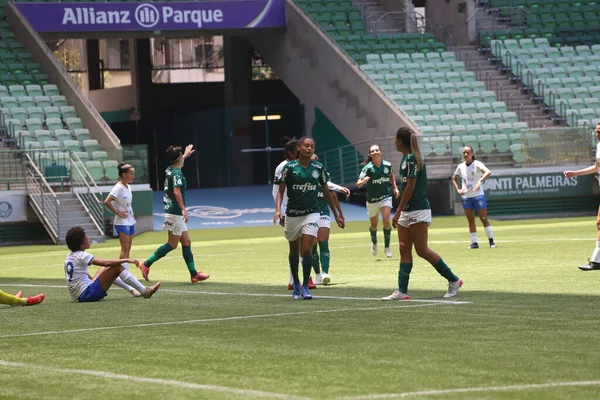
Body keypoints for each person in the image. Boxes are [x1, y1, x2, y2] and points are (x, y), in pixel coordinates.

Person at [382, 127, 463, 300]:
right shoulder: (405, 158)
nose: (394, 142)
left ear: (401, 141)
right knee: (404, 249)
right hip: (406, 210)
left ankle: (454, 280)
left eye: (396, 139)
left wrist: (397, 211)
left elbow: (410, 187)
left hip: (418, 209)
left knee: (422, 250)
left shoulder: (412, 159)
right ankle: (402, 291)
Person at [273, 137, 345, 299]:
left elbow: (327, 192)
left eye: (312, 146)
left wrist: (336, 215)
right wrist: (278, 210)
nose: (309, 149)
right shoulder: (289, 168)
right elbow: (280, 191)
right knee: (293, 251)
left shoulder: (318, 168)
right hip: (293, 214)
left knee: (307, 249)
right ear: (299, 148)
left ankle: (306, 285)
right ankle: (296, 284)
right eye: (306, 146)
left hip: (312, 213)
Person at [138, 145, 210, 283]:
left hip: (172, 211)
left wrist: (186, 155)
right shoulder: (177, 173)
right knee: (172, 244)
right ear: (179, 159)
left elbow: (178, 162)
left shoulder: (170, 169)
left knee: (186, 242)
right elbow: (177, 191)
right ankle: (146, 264)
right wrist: (183, 209)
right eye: (182, 157)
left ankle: (194, 274)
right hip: (175, 212)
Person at [64, 226, 160, 303]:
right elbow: (105, 263)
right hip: (87, 294)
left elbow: (80, 275)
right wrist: (126, 260)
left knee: (106, 270)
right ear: (81, 245)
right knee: (116, 267)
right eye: (87, 239)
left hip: (81, 294)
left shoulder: (69, 256)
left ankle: (132, 290)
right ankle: (145, 292)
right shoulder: (82, 255)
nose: (89, 240)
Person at [273, 137, 316, 290]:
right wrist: (281, 211)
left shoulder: (308, 166)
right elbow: (278, 191)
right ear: (291, 153)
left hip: (306, 211)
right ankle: (295, 280)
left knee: (305, 246)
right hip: (290, 212)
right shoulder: (284, 167)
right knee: (295, 247)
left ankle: (301, 280)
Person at [103, 162, 143, 298]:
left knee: (128, 248)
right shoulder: (118, 188)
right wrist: (117, 213)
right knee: (124, 249)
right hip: (122, 222)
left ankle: (125, 273)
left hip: (130, 220)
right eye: (131, 173)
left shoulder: (128, 187)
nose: (133, 175)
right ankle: (122, 274)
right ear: (124, 174)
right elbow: (107, 201)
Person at [564, 122, 600, 271]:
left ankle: (596, 261)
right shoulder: (599, 146)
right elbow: (597, 167)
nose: (597, 133)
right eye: (596, 130)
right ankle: (596, 261)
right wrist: (575, 173)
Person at [311, 154, 350, 286]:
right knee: (312, 246)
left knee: (323, 241)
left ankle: (325, 273)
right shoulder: (303, 176)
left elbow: (331, 193)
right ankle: (316, 274)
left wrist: (339, 214)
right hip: (309, 213)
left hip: (323, 212)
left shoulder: (323, 174)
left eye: (316, 161)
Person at [356, 144, 399, 258]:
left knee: (386, 219)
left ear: (381, 151)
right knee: (373, 225)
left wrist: (395, 187)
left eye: (377, 150)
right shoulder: (367, 168)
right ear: (370, 154)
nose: (375, 152)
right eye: (372, 151)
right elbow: (358, 183)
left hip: (385, 197)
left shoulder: (387, 165)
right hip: (372, 200)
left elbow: (391, 175)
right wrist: (364, 181)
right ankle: (374, 243)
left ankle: (387, 247)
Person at [452, 145, 497, 249]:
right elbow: (454, 179)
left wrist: (479, 182)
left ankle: (491, 241)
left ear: (472, 154)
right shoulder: (460, 166)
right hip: (466, 197)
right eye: (464, 152)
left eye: (468, 152)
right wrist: (458, 189)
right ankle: (474, 242)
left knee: (483, 218)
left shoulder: (477, 164)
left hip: (478, 196)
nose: (465, 154)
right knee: (470, 219)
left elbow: (488, 172)